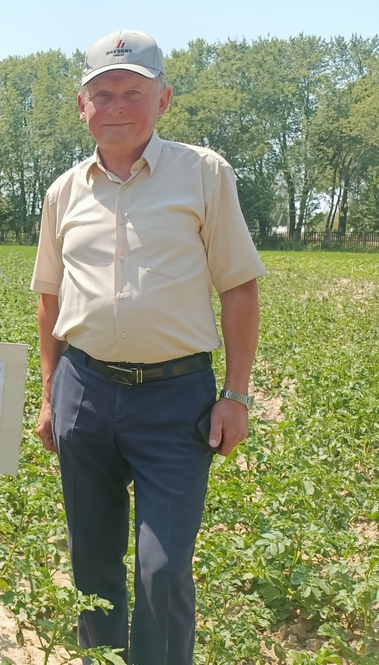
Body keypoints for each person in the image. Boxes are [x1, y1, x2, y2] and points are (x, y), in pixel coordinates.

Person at [31, 30, 265, 664]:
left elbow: (239, 290)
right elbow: (49, 301)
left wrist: (236, 396)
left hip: (175, 399)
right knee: (93, 562)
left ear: (163, 100)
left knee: (163, 571)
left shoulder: (204, 174)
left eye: (132, 92)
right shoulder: (63, 193)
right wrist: (51, 395)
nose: (116, 106)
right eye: (101, 94)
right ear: (81, 106)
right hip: (84, 390)